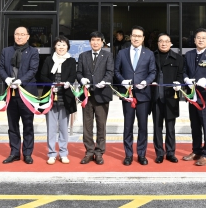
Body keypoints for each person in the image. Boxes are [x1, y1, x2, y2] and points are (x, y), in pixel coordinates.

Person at [115, 26, 156, 166]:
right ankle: (128, 155)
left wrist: (146, 82)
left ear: (143, 38)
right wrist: (122, 81)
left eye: (139, 36)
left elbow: (153, 72)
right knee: (128, 126)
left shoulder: (149, 53)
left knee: (143, 126)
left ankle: (142, 154)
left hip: (143, 95)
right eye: (134, 35)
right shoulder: (122, 53)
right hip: (128, 94)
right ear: (130, 37)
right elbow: (116, 71)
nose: (136, 38)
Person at [0, 26, 39, 164]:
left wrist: (20, 81)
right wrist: (7, 79)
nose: (19, 37)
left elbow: (33, 70)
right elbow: (1, 68)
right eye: (17, 34)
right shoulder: (6, 51)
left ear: (28, 36)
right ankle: (14, 152)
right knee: (12, 125)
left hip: (27, 93)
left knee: (28, 124)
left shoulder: (33, 51)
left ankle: (27, 153)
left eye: (22, 34)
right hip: (11, 93)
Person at [182, 28, 206, 167]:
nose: (201, 40)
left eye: (204, 38)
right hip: (193, 97)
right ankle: (196, 150)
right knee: (195, 126)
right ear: (194, 40)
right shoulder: (189, 54)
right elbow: (184, 71)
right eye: (198, 37)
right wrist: (185, 79)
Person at [76, 31, 114, 165]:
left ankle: (99, 153)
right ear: (89, 42)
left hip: (102, 94)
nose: (95, 42)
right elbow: (78, 73)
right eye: (93, 40)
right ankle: (89, 151)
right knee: (87, 125)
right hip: (87, 95)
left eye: (98, 40)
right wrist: (82, 79)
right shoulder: (83, 55)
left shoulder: (108, 55)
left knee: (101, 125)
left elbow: (110, 72)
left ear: (102, 42)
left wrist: (104, 81)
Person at [40, 36, 77, 165]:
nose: (61, 47)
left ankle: (63, 153)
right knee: (51, 128)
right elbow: (42, 75)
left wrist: (68, 82)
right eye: (59, 45)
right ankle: (51, 153)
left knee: (63, 128)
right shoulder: (48, 60)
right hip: (51, 97)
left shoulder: (71, 60)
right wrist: (51, 84)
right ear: (54, 47)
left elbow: (73, 75)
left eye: (64, 45)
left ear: (67, 47)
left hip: (65, 97)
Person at [150, 33, 184, 163]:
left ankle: (170, 153)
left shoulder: (178, 58)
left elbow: (181, 74)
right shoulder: (152, 56)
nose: (163, 43)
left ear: (170, 43)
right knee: (157, 127)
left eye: (166, 41)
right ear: (157, 43)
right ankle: (159, 153)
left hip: (171, 98)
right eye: (161, 41)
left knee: (170, 127)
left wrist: (179, 83)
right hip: (156, 98)